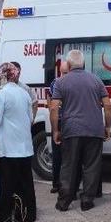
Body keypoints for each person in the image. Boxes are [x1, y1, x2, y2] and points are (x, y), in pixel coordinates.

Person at [51, 49, 111, 212]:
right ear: (83, 64)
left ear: (69, 65)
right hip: (94, 129)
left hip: (72, 130)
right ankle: (87, 200)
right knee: (91, 165)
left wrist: (55, 130)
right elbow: (107, 105)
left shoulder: (61, 82)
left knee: (68, 166)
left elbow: (54, 109)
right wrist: (107, 126)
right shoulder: (96, 80)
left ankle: (64, 202)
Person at [0, 62, 36, 222]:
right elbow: (31, 119)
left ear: (2, 76)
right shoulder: (24, 93)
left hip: (8, 149)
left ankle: (3, 219)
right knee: (25, 184)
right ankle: (26, 215)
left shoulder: (1, 95)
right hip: (25, 147)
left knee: (7, 185)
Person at [48, 60, 70, 194]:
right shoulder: (55, 83)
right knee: (57, 155)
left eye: (66, 72)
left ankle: (68, 184)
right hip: (59, 121)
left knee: (70, 155)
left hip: (70, 121)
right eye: (62, 72)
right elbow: (53, 104)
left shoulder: (71, 83)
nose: (63, 75)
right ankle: (56, 183)